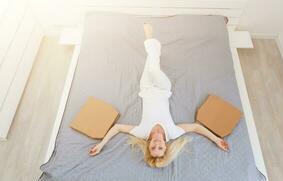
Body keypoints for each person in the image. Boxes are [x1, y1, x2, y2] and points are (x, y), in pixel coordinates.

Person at [89, 23, 229, 168]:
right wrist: (216, 139)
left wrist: (101, 144)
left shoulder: (142, 133)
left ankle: (154, 48)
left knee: (151, 60)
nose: (157, 144)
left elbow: (117, 128)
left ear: (148, 146)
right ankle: (149, 36)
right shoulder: (173, 133)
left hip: (146, 88)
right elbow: (195, 128)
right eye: (160, 148)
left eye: (153, 148)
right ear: (166, 147)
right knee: (154, 69)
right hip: (163, 89)